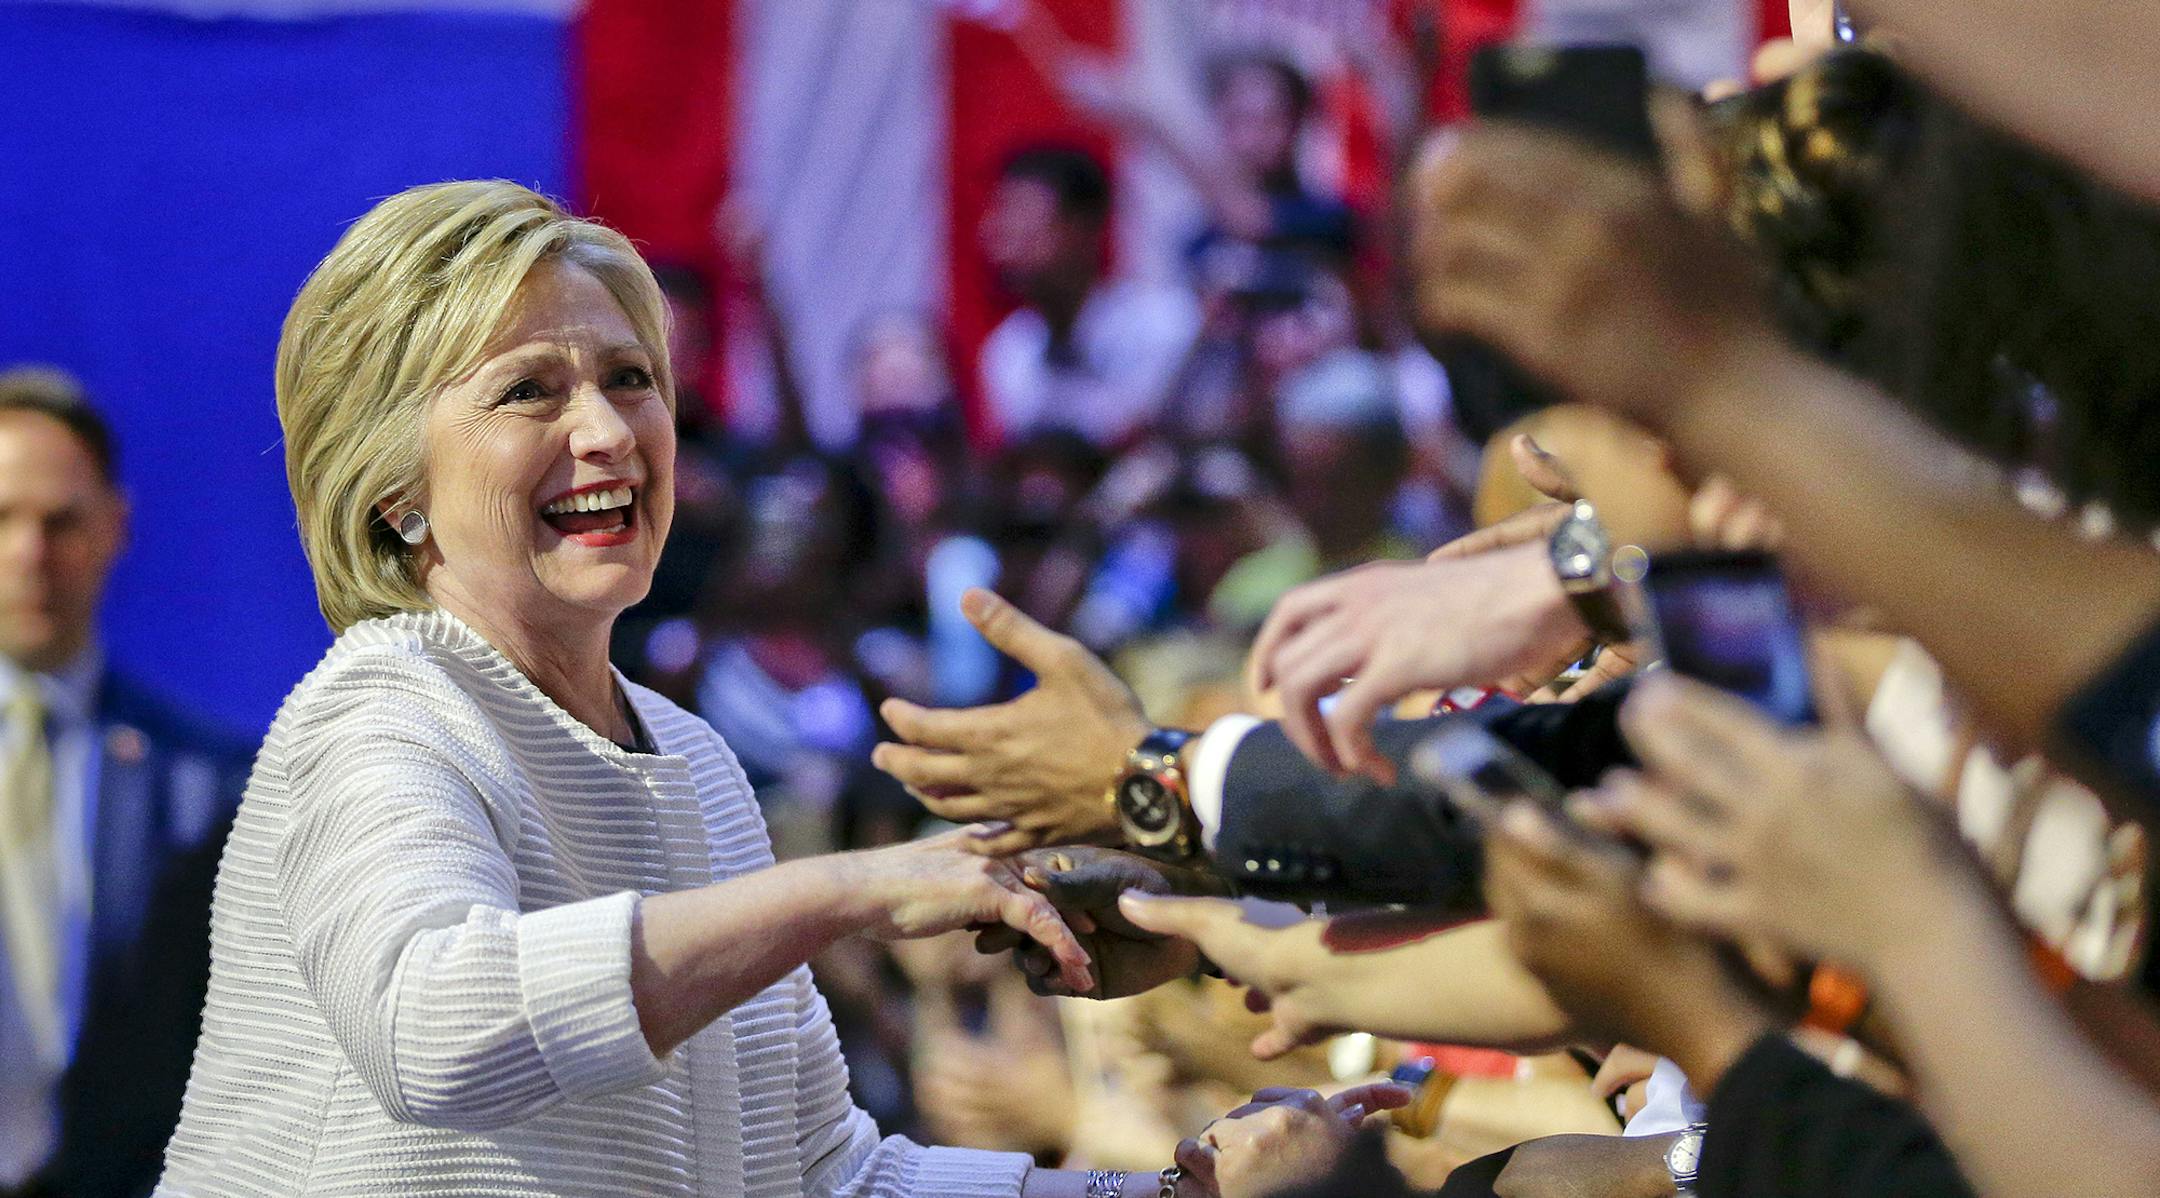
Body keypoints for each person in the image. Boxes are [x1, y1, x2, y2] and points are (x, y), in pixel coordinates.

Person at [151, 179, 1389, 1198]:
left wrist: (1168, 1193)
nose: (607, 431)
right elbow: (438, 1030)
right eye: (530, 389)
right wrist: (847, 890)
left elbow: (822, 1176)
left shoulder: (688, 760)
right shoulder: (383, 709)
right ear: (392, 491)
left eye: (631, 378)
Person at [0, 367, 249, 1198]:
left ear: (117, 527)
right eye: (2, 519)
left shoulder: (207, 784)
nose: (30, 554)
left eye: (60, 520)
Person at [978, 145, 1202, 448]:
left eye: (1024, 215)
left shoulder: (1168, 325)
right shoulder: (1011, 351)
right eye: (1002, 214)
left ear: (1083, 229)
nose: (1003, 238)